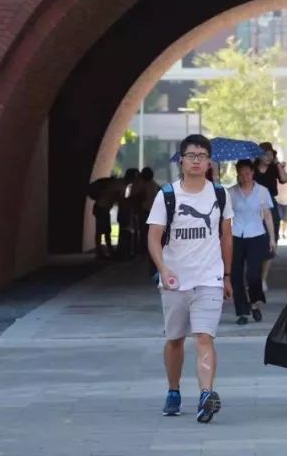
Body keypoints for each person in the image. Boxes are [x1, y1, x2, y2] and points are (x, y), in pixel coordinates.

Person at [146, 134, 234, 424]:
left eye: (202, 156)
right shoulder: (167, 196)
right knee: (174, 340)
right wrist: (164, 268)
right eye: (191, 155)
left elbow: (226, 237)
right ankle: (173, 389)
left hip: (209, 278)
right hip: (175, 281)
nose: (196, 160)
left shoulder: (220, 195)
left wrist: (228, 275)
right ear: (181, 160)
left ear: (209, 162)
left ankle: (206, 394)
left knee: (205, 337)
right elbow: (154, 237)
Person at [229, 159, 276, 325]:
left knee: (253, 274)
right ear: (237, 175)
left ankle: (255, 304)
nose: (245, 177)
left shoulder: (262, 191)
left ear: (252, 173)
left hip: (257, 234)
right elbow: (226, 217)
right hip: (236, 236)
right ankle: (242, 311)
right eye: (241, 175)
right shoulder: (231, 193)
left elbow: (268, 216)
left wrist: (272, 238)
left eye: (247, 173)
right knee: (236, 274)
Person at [254, 142, 287, 291]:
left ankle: (263, 279)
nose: (268, 157)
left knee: (270, 240)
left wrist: (278, 164)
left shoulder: (274, 168)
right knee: (254, 240)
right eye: (264, 154)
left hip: (271, 205)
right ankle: (254, 276)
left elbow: (285, 179)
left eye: (270, 154)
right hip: (254, 206)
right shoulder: (252, 168)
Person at [116, 167, 140, 259]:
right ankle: (124, 252)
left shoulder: (125, 185)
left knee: (124, 230)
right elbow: (121, 199)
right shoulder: (123, 185)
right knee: (126, 230)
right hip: (124, 211)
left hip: (124, 211)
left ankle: (124, 251)